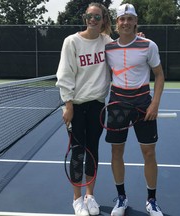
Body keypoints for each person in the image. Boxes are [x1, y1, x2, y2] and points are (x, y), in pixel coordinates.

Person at [104, 3, 165, 216]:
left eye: (130, 19)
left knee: (149, 152)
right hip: (117, 103)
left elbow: (159, 75)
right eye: (122, 19)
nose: (126, 22)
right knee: (116, 151)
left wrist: (155, 103)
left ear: (135, 21)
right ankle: (121, 198)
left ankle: (152, 201)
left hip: (142, 103)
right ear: (117, 22)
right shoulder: (108, 47)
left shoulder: (149, 45)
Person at [56, 3, 112, 216]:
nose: (92, 20)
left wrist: (138, 38)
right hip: (76, 107)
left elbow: (125, 47)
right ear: (85, 18)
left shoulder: (107, 42)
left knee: (93, 151)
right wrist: (68, 105)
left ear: (103, 20)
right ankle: (77, 199)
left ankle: (90, 196)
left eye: (97, 17)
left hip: (97, 105)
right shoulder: (71, 42)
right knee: (78, 153)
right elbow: (65, 75)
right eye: (89, 16)